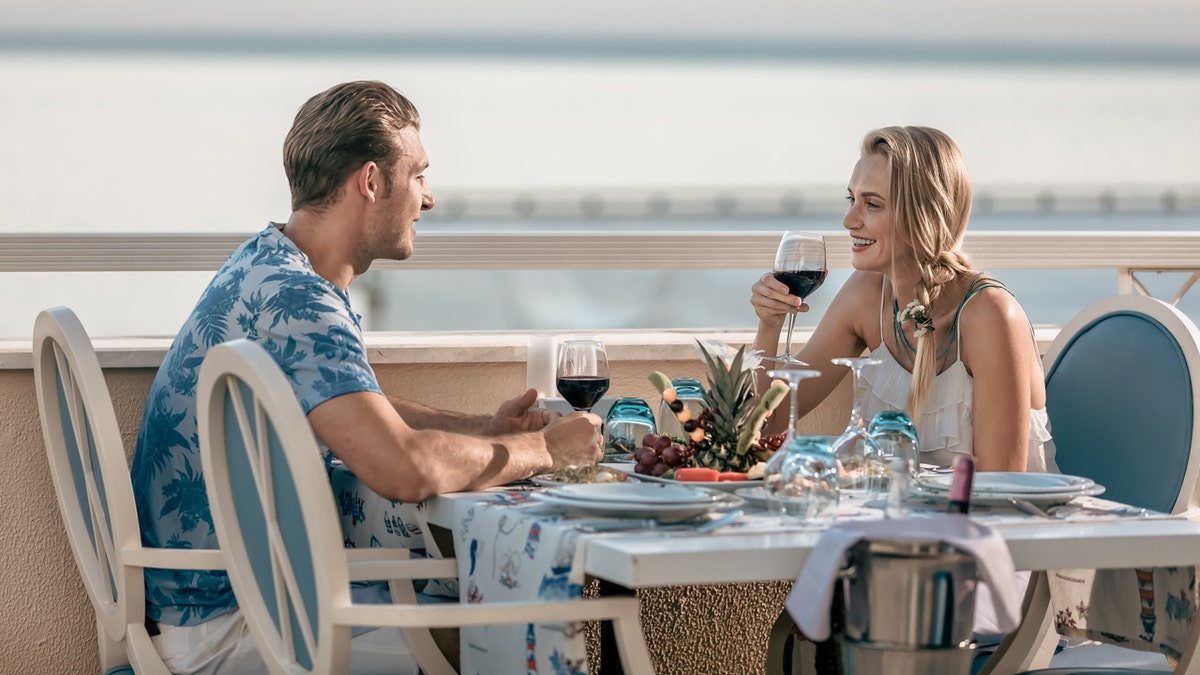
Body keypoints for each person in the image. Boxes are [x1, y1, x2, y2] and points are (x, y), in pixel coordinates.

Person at [129, 80, 603, 673]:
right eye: (420, 175)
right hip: (238, 627)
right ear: (372, 181)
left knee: (482, 594)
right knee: (520, 629)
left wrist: (485, 428)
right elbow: (403, 467)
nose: (428, 199)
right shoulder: (302, 303)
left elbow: (353, 402)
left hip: (219, 603)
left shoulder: (269, 265)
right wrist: (543, 449)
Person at [750, 125, 1056, 474]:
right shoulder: (866, 293)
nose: (849, 221)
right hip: (901, 519)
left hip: (999, 524)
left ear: (923, 216)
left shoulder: (990, 315)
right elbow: (769, 424)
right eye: (852, 199)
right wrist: (769, 325)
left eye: (872, 204)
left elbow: (1001, 485)